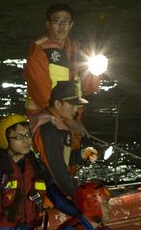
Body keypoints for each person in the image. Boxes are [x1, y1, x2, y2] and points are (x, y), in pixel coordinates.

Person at [23, 3, 101, 120]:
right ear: (48, 24)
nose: (62, 26)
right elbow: (41, 96)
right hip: (45, 119)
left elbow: (90, 88)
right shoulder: (39, 50)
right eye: (57, 21)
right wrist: (67, 120)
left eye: (66, 21)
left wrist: (95, 72)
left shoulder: (79, 49)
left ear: (71, 24)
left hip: (74, 115)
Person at [31, 79, 97, 207]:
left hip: (53, 189)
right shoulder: (49, 131)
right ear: (57, 104)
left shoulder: (57, 124)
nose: (76, 109)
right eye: (72, 105)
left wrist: (81, 154)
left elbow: (58, 158)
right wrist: (84, 196)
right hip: (46, 198)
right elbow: (59, 174)